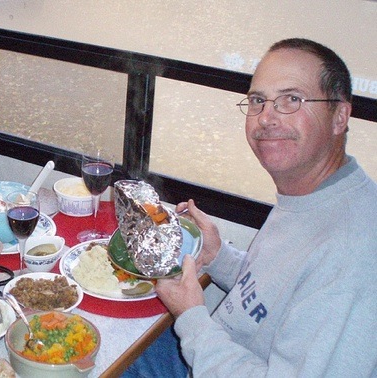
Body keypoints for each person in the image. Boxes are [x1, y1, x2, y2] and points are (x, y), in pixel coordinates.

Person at [124, 38, 377, 377]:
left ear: (339, 116)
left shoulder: (352, 253)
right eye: (258, 100)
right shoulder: (310, 194)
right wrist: (218, 257)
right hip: (219, 351)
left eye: (291, 99)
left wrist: (192, 318)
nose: (266, 118)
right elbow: (278, 296)